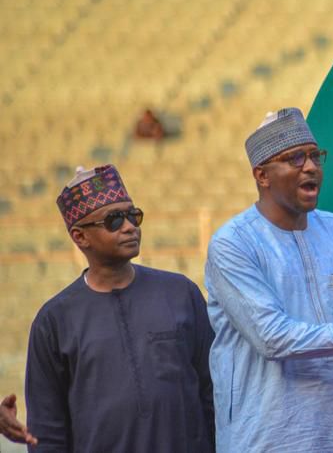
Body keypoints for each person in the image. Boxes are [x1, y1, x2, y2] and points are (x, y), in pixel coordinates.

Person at [206, 108, 333, 452]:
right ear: (262, 175)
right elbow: (271, 338)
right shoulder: (233, 244)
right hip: (266, 439)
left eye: (316, 156)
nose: (312, 166)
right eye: (295, 158)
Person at [26, 165, 215, 452]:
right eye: (114, 220)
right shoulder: (54, 321)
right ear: (80, 237)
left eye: (133, 215)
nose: (129, 226)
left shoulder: (181, 293)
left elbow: (213, 390)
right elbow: (47, 429)